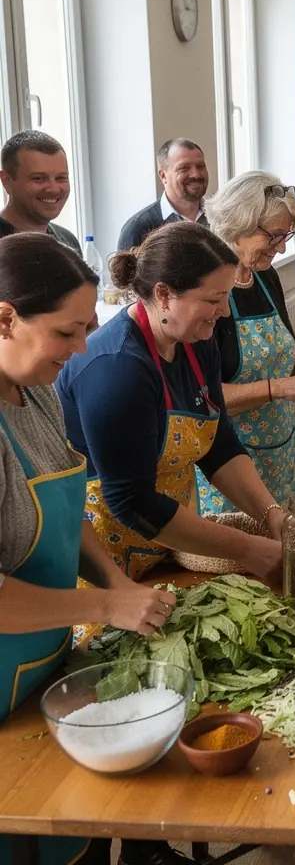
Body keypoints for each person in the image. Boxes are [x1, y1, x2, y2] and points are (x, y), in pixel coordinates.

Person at [0, 235, 185, 865]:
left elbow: (65, 516)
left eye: (88, 329)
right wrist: (104, 610)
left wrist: (115, 585)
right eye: (66, 332)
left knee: (73, 832)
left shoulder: (35, 394)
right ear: (5, 318)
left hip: (40, 669)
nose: (81, 349)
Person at [56, 221, 284, 582]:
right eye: (212, 299)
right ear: (163, 294)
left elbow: (218, 446)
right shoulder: (118, 369)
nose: (224, 311)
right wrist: (247, 549)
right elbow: (131, 502)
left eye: (226, 296)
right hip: (98, 571)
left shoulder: (196, 341)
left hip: (163, 546)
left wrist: (273, 515)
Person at [197, 172, 295, 514]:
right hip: (228, 463)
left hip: (284, 452)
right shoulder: (206, 290)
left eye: (287, 235)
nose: (282, 247)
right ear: (236, 224)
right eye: (274, 235)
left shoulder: (265, 277)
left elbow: (282, 354)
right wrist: (282, 388)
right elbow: (204, 398)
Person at [116, 138, 209, 251]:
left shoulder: (220, 218)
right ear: (163, 176)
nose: (196, 174)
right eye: (184, 168)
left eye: (200, 166)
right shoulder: (138, 228)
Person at [0, 130, 81, 255]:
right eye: (38, 178)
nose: (53, 189)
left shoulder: (68, 242)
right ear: (6, 180)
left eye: (61, 178)